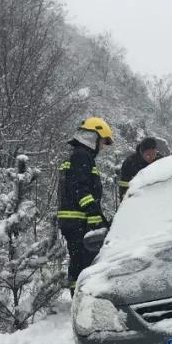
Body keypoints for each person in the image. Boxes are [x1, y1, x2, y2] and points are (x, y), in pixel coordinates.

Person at [58, 117, 114, 292]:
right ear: (93, 137)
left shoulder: (79, 155)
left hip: (73, 220)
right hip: (77, 221)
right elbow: (80, 189)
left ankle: (78, 295)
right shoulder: (82, 156)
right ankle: (81, 297)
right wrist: (94, 215)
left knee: (78, 262)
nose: (102, 147)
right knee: (83, 263)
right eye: (102, 142)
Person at [118, 136, 161, 201]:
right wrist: (124, 201)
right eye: (148, 155)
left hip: (155, 195)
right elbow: (123, 185)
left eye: (154, 154)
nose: (151, 157)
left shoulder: (160, 160)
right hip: (136, 197)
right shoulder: (130, 163)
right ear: (141, 152)